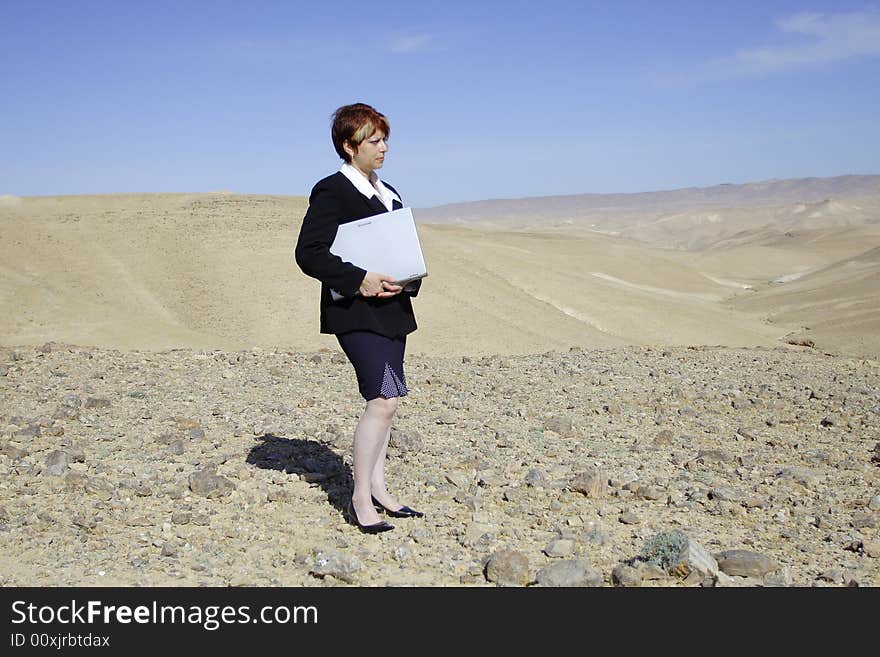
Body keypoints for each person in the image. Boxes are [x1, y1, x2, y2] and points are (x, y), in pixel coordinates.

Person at [295, 102, 424, 534]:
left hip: (392, 313)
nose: (384, 147)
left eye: (385, 138)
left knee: (389, 403)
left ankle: (380, 487)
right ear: (350, 147)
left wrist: (407, 280)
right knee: (382, 400)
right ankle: (358, 497)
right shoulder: (332, 191)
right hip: (355, 313)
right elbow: (309, 253)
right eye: (374, 140)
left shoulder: (390, 193)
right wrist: (359, 279)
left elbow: (400, 251)